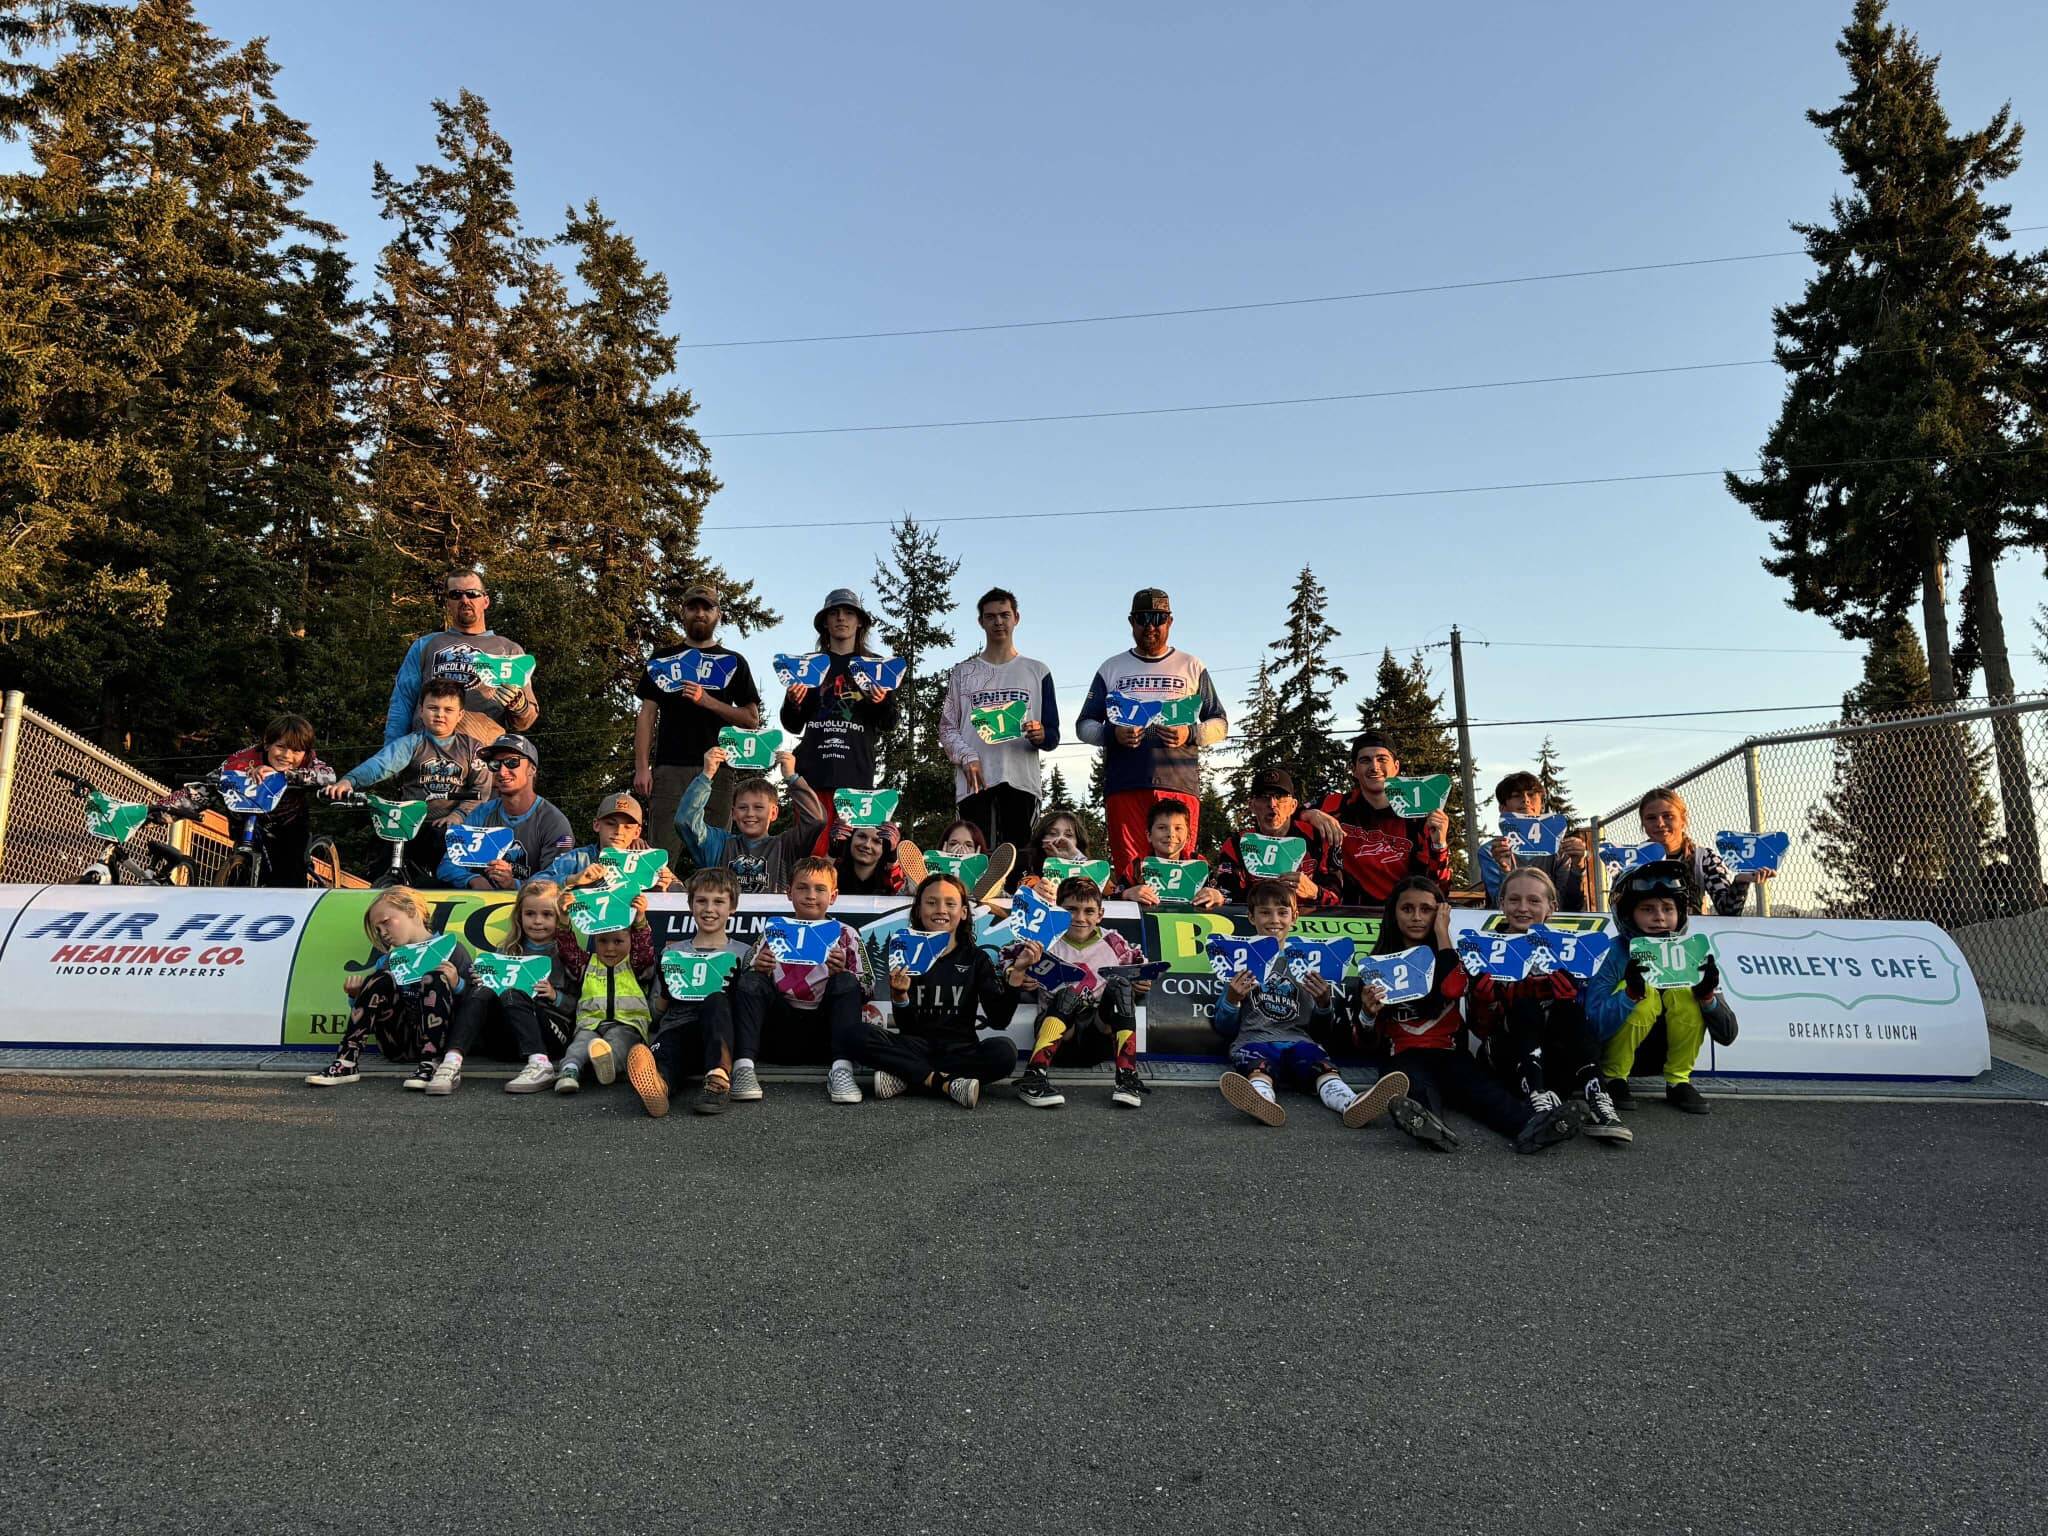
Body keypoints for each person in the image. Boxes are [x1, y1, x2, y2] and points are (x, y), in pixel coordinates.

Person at [1360, 876, 1580, 1154]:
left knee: (1486, 1092)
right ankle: (1426, 1123)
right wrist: (1367, 1014)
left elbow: (1452, 988)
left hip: (1451, 1054)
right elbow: (1364, 1041)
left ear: (1440, 913)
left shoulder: (1453, 956)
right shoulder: (1376, 964)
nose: (1416, 917)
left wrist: (1443, 933)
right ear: (1393, 913)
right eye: (1407, 909)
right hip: (1404, 1055)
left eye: (1427, 910)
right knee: (1416, 1085)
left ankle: (1534, 1128)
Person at [1209, 880, 1411, 1129]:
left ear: (1294, 917)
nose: (1274, 920)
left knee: (1323, 1068)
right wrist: (1232, 999)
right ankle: (1262, 1099)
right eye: (1265, 913)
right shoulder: (1241, 960)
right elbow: (1224, 1027)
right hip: (1253, 1041)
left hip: (1300, 1042)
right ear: (1251, 917)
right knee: (1258, 1068)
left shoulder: (1309, 961)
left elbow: (1322, 1031)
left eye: (1282, 913)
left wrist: (1324, 1003)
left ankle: (1350, 1103)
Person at [1461, 867, 1629, 1142]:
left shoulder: (1569, 951)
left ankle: (1599, 1098)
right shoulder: (1484, 950)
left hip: (1556, 1059)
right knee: (1525, 1006)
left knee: (1569, 1010)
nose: (1522, 908)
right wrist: (1485, 1000)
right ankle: (1537, 1100)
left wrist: (1571, 996)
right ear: (1501, 903)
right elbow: (1480, 1030)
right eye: (1514, 900)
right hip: (1508, 1058)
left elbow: (1588, 1025)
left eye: (1533, 900)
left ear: (1551, 907)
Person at [1075, 588, 1229, 874]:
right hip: (1126, 784)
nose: (1150, 626)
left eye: (1158, 619)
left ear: (1170, 621)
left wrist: (1190, 733)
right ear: (1131, 621)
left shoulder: (1192, 665)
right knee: (1131, 874)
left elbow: (1220, 723)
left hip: (1179, 784)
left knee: (1180, 873)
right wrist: (1112, 734)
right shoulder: (1111, 667)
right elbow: (1084, 726)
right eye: (1143, 618)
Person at [858, 872, 1026, 1109]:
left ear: (963, 912)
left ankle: (908, 1077)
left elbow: (999, 1020)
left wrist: (1017, 974)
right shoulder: (906, 954)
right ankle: (946, 1083)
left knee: (1004, 1052)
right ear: (918, 910)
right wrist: (900, 996)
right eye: (931, 902)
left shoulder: (976, 959)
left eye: (950, 903)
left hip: (960, 1050)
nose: (940, 910)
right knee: (856, 1034)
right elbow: (907, 1027)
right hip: (915, 1047)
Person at [1587, 859, 1739, 1115]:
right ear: (1627, 914)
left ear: (1680, 913)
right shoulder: (1612, 953)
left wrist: (1707, 997)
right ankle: (1614, 1078)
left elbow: (1727, 1035)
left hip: (1660, 1059)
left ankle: (1678, 1081)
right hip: (1612, 1056)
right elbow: (1592, 1027)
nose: (1659, 917)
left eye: (1668, 908)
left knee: (1685, 994)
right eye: (1647, 909)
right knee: (1644, 996)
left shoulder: (1692, 953)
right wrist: (1629, 995)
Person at [634, 582, 763, 864]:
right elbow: (646, 715)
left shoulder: (733, 662)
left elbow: (751, 719)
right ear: (683, 613)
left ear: (718, 615)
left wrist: (708, 701)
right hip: (670, 770)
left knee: (716, 858)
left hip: (719, 771)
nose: (700, 613)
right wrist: (642, 768)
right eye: (693, 607)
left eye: (707, 608)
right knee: (660, 859)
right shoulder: (662, 659)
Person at [729, 856, 873, 1104]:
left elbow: (869, 986)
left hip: (826, 1033)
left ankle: (842, 1070)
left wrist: (843, 972)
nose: (811, 896)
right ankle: (743, 1068)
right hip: (779, 1031)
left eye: (820, 889)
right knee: (752, 980)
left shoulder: (846, 934)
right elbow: (745, 977)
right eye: (802, 887)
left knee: (846, 981)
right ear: (789, 892)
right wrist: (758, 967)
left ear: (833, 896)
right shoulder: (774, 931)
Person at [303, 887, 470, 1089]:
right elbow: (373, 1006)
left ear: (411, 911)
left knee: (435, 977)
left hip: (443, 1044)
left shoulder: (452, 949)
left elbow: (474, 1006)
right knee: (380, 978)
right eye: (378, 929)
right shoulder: (389, 960)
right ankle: (346, 1061)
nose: (383, 933)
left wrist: (457, 984)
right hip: (397, 1044)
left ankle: (431, 1064)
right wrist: (356, 996)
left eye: (385, 922)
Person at [1008, 875, 1150, 1110]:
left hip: (1098, 1037)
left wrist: (1141, 982)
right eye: (1071, 910)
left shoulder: (1113, 941)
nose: (1080, 918)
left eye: (1088, 911)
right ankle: (1033, 1077)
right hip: (1060, 1039)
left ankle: (1127, 1078)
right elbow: (1006, 956)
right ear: (1058, 911)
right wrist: (1019, 972)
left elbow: (1142, 966)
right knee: (1070, 992)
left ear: (1100, 915)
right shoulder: (1044, 938)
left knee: (1121, 985)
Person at [326, 678, 489, 882]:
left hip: (452, 827)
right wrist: (350, 781)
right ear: (421, 710)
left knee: (446, 875)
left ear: (460, 715)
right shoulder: (411, 743)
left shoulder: (473, 749)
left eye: (448, 709)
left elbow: (482, 790)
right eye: (433, 708)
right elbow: (381, 764)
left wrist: (459, 815)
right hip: (409, 823)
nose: (440, 714)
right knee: (380, 867)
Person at [937, 587, 1060, 852]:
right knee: (973, 859)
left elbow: (1053, 735)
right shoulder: (963, 673)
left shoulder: (1037, 671)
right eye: (991, 616)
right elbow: (947, 729)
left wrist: (1041, 735)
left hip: (1021, 782)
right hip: (974, 784)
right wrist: (967, 756)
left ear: (1016, 618)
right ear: (981, 621)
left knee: (1017, 860)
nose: (998, 622)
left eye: (1004, 615)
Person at [430, 878, 574, 1096]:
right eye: (530, 914)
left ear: (558, 917)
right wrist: (472, 983)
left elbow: (580, 1005)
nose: (537, 921)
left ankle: (541, 1064)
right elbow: (476, 1000)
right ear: (519, 916)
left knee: (512, 992)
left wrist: (555, 996)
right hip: (505, 1042)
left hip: (550, 1037)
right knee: (485, 989)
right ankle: (451, 1062)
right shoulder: (506, 951)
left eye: (547, 914)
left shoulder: (566, 953)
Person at [155, 714, 335, 887]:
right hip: (248, 824)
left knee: (288, 874)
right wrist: (156, 811)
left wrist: (287, 775)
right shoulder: (242, 760)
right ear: (267, 744)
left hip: (290, 822)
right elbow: (205, 788)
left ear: (306, 752)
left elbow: (329, 776)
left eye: (296, 751)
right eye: (280, 747)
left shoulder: (308, 760)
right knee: (238, 877)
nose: (287, 755)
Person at [630, 867, 750, 1118]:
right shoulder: (673, 953)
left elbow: (751, 1013)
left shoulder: (744, 954)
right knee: (668, 1047)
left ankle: (718, 1080)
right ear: (690, 905)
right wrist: (666, 993)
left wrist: (737, 992)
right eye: (701, 901)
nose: (709, 909)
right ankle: (659, 1085)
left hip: (720, 1036)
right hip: (678, 1027)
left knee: (716, 1000)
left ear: (732, 907)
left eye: (718, 902)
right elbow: (655, 1014)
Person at [383, 565, 539, 749]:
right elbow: (402, 704)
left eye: (472, 594)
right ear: (448, 603)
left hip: (484, 756)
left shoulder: (508, 650)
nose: (464, 600)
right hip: (427, 755)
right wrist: (392, 753)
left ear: (486, 601)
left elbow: (526, 720)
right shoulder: (424, 646)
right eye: (456, 595)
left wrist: (519, 705)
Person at [778, 588, 899, 795]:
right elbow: (792, 724)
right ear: (825, 622)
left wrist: (880, 701)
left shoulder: (875, 666)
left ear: (859, 622)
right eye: (834, 613)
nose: (841, 618)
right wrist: (793, 702)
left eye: (849, 613)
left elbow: (890, 722)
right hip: (811, 779)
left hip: (857, 780)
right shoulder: (809, 664)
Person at [1316, 732, 1451, 909]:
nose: (1374, 767)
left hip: (1404, 914)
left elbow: (1440, 890)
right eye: (1365, 760)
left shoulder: (1419, 814)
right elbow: (1288, 814)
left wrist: (1440, 845)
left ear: (1396, 767)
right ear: (1354, 770)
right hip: (1350, 913)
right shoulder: (1334, 805)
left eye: (1382, 759)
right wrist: (1310, 814)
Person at [431, 734, 576, 891]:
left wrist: (514, 885)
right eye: (495, 764)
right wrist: (472, 879)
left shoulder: (554, 823)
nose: (502, 771)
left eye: (512, 762)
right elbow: (447, 865)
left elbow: (558, 879)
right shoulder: (482, 813)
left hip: (529, 903)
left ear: (532, 769)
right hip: (480, 901)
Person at [676, 745, 825, 894]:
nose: (750, 813)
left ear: (773, 813)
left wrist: (792, 777)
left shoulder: (785, 846)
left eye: (758, 807)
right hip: (723, 909)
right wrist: (707, 774)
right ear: (733, 813)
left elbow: (815, 820)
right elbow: (686, 821)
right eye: (743, 807)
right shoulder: (720, 844)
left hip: (773, 910)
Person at [1211, 766, 1344, 909]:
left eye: (1280, 797)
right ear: (1252, 806)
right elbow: (1227, 894)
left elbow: (1339, 897)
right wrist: (1216, 895)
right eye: (1264, 797)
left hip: (1310, 920)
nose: (1272, 804)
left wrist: (1315, 892)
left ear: (1293, 806)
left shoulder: (1319, 838)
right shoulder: (1236, 844)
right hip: (1257, 919)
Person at [554, 918, 658, 1099]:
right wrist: (563, 923)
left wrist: (640, 921)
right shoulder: (586, 964)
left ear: (631, 940)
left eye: (618, 941)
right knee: (579, 1045)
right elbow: (568, 951)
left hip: (627, 1024)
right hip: (591, 1024)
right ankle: (569, 1071)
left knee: (619, 1043)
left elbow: (644, 951)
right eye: (603, 941)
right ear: (594, 940)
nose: (610, 948)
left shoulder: (636, 965)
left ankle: (609, 1064)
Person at [1636, 787, 1767, 917]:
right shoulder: (1633, 860)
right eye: (1651, 818)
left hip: (1691, 930)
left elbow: (1727, 910)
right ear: (1643, 824)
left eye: (1668, 816)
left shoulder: (1704, 858)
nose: (1660, 823)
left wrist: (1740, 882)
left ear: (1683, 819)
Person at [1478, 770, 1590, 910]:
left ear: (1541, 805)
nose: (1525, 800)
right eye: (1516, 796)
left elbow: (1571, 906)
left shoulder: (1560, 849)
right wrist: (1504, 869)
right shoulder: (1492, 851)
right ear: (1503, 808)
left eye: (1531, 794)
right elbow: (1499, 906)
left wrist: (1578, 866)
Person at [531, 791, 678, 896]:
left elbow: (684, 897)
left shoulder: (649, 862)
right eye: (611, 824)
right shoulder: (578, 858)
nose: (619, 831)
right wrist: (573, 880)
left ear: (637, 832)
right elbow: (532, 884)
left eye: (627, 827)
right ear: (596, 825)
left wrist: (662, 891)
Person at [1117, 799, 1224, 909]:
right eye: (1162, 828)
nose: (1171, 834)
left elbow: (1223, 895)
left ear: (1188, 837)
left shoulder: (1199, 864)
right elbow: (1113, 897)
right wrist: (1126, 894)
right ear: (1149, 835)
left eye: (1178, 828)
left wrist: (1217, 896)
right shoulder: (1137, 866)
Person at [1016, 808, 1091, 894]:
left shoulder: (1083, 867)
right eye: (1052, 833)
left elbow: (1095, 887)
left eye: (1068, 835)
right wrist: (1032, 889)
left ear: (1078, 842)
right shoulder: (1022, 859)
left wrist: (1076, 857)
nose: (1060, 839)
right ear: (1041, 838)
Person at [830, 820, 908, 897]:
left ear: (885, 849)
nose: (867, 845)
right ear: (850, 839)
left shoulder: (890, 879)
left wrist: (892, 859)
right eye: (862, 836)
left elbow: (904, 892)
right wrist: (832, 854)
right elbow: (823, 881)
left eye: (876, 841)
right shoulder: (834, 871)